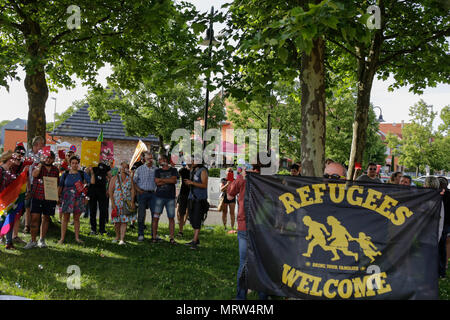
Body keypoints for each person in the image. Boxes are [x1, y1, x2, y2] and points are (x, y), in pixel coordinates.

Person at [227, 153, 268, 300]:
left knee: (244, 263)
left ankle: (241, 297)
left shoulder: (244, 178)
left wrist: (241, 176)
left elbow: (229, 195)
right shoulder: (269, 180)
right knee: (263, 262)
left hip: (245, 224)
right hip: (264, 225)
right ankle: (263, 296)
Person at [24, 151, 59, 249]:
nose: (48, 159)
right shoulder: (37, 166)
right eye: (46, 157)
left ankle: (42, 240)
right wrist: (40, 164)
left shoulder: (56, 170)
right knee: (34, 218)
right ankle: (33, 240)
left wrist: (57, 197)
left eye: (50, 158)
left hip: (49, 198)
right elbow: (34, 175)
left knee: (46, 218)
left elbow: (56, 184)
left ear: (53, 159)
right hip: (37, 196)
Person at [58, 156, 93, 244]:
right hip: (66, 198)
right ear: (70, 164)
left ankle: (77, 238)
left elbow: (91, 182)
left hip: (78, 198)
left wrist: (91, 172)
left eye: (76, 163)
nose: (74, 165)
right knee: (65, 218)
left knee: (76, 218)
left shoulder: (82, 173)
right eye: (73, 163)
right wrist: (58, 197)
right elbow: (60, 186)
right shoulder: (65, 174)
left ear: (78, 164)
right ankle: (62, 238)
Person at [0, 151, 25, 250]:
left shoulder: (11, 171)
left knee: (10, 220)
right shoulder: (1, 170)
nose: (15, 160)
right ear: (9, 159)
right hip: (2, 201)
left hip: (10, 201)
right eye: (13, 158)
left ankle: (9, 243)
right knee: (1, 221)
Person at [184, 156, 209, 250]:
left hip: (199, 199)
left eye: (193, 160)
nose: (192, 161)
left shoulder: (203, 171)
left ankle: (195, 241)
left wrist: (192, 183)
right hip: (192, 197)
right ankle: (195, 239)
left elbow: (204, 185)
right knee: (192, 218)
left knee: (197, 218)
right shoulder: (193, 170)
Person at [153, 154, 179, 243]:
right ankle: (154, 237)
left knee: (171, 218)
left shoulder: (173, 170)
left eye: (160, 159)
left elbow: (174, 180)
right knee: (156, 217)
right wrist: (168, 180)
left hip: (170, 198)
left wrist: (162, 180)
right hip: (159, 197)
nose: (159, 161)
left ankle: (172, 238)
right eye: (159, 160)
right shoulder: (157, 171)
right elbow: (157, 182)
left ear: (165, 160)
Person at [109, 161, 136, 245]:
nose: (124, 169)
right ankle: (117, 236)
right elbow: (110, 190)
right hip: (117, 202)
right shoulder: (115, 178)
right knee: (116, 221)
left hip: (126, 202)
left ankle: (122, 239)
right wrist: (112, 202)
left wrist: (132, 201)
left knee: (124, 221)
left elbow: (132, 190)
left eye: (126, 167)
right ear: (120, 168)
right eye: (123, 167)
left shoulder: (129, 178)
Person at [133, 151, 156, 242]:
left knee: (155, 215)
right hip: (142, 194)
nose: (150, 160)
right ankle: (140, 234)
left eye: (151, 158)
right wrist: (138, 190)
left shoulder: (156, 169)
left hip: (153, 194)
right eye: (148, 159)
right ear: (144, 159)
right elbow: (134, 182)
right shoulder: (139, 169)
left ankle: (153, 235)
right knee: (141, 215)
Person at [24, 136, 45, 234]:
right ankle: (27, 226)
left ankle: (36, 225)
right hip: (28, 182)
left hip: (39, 184)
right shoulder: (28, 154)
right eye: (42, 144)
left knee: (37, 206)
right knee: (28, 205)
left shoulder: (43, 155)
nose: (43, 146)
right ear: (37, 144)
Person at [88, 160, 111, 235]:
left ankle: (102, 229)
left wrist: (108, 189)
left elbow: (110, 177)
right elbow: (85, 172)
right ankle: (93, 229)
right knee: (92, 210)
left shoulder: (105, 162)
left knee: (103, 210)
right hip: (92, 189)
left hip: (102, 190)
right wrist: (89, 169)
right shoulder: (91, 160)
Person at [437, 176, 450, 278]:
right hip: (444, 223)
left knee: (441, 246)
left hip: (444, 223)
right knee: (442, 247)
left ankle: (442, 269)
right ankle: (442, 269)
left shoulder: (439, 195)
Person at [176, 162, 190, 237]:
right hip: (183, 193)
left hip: (192, 194)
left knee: (189, 211)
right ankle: (180, 230)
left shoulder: (196, 171)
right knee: (181, 212)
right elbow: (179, 173)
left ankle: (184, 223)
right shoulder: (183, 170)